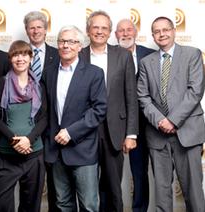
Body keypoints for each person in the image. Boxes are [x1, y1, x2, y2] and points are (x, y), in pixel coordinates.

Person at [137, 16, 205, 212]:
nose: (162, 34)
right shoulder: (145, 62)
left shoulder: (192, 54)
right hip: (157, 134)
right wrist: (160, 121)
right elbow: (142, 96)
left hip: (188, 133)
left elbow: (195, 91)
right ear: (152, 35)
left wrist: (173, 120)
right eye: (157, 31)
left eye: (166, 29)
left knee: (193, 191)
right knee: (162, 192)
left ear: (174, 31)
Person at [43, 25, 107, 212]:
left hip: (83, 149)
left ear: (80, 46)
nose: (65, 45)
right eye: (62, 41)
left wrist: (71, 132)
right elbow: (45, 111)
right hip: (55, 150)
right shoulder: (49, 72)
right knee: (62, 204)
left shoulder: (94, 73)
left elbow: (99, 110)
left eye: (71, 41)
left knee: (89, 205)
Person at [80, 10, 138, 212]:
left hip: (115, 131)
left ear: (110, 31)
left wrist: (131, 133)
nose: (99, 31)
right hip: (85, 131)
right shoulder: (78, 55)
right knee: (87, 188)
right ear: (88, 30)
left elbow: (131, 96)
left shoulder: (123, 55)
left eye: (104, 28)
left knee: (113, 187)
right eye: (95, 27)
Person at [0, 40, 47, 212]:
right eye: (15, 55)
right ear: (10, 59)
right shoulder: (0, 84)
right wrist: (14, 140)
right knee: (1, 206)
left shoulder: (39, 86)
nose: (20, 58)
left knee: (31, 206)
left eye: (24, 54)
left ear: (30, 58)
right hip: (6, 156)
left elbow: (44, 117)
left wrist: (28, 140)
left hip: (34, 155)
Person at [114, 18, 155, 212]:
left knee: (140, 172)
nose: (125, 34)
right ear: (115, 35)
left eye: (129, 30)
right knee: (111, 173)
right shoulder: (110, 55)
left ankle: (140, 208)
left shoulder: (151, 55)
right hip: (116, 124)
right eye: (121, 31)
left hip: (146, 125)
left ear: (136, 32)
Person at [23, 11, 59, 211]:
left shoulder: (59, 54)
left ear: (46, 30)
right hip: (26, 129)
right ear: (26, 30)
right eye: (31, 27)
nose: (35, 31)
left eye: (39, 27)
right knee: (30, 185)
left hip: (53, 127)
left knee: (56, 183)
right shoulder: (18, 54)